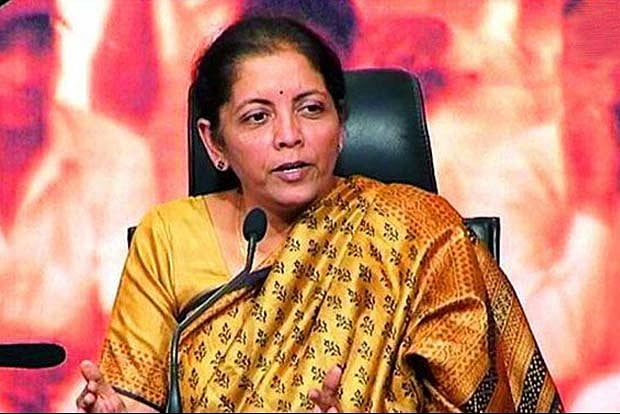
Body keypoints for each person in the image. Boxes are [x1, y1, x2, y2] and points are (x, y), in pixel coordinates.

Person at [76, 15, 563, 412]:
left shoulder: (420, 231)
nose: (289, 136)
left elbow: (486, 403)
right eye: (257, 117)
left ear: (341, 124)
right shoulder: (168, 237)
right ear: (214, 142)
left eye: (311, 109)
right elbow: (135, 397)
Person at [0, 0, 157, 411]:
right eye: (1, 48)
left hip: (83, 393)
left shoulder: (119, 157)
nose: (23, 73)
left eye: (39, 45)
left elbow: (134, 318)